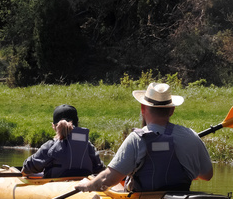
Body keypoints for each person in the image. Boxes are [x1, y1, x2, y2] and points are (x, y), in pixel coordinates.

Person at [77, 82, 213, 192]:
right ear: (172, 110)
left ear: (143, 108)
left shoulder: (137, 139)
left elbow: (108, 179)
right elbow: (207, 175)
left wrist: (88, 185)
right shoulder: (191, 136)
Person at [21, 104, 105, 178]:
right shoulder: (88, 145)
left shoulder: (51, 146)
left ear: (54, 126)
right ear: (77, 123)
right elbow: (100, 169)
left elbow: (28, 168)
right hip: (83, 185)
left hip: (56, 187)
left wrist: (24, 171)